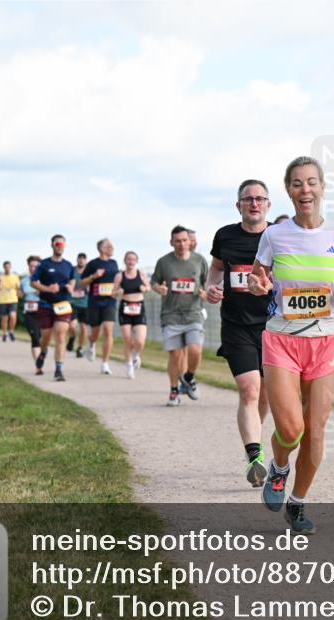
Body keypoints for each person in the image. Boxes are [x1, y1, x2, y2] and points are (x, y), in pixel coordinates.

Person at [247, 156, 334, 534]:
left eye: (311, 182)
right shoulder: (273, 235)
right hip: (282, 339)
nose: (305, 189)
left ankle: (297, 502)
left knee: (315, 431)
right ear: (289, 191)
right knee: (291, 429)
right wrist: (258, 285)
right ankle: (279, 468)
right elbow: (258, 279)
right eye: (297, 183)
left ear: (322, 187)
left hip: (324, 341)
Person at [207, 178, 274, 487]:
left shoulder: (278, 236)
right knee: (249, 389)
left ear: (268, 204)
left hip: (273, 327)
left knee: (265, 395)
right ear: (239, 205)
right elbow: (217, 268)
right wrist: (211, 286)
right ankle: (254, 458)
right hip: (237, 326)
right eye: (248, 199)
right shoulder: (225, 235)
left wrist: (270, 286)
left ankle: (254, 437)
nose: (254, 203)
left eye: (259, 198)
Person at [152, 225, 208, 406]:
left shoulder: (199, 261)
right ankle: (174, 391)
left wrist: (205, 293)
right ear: (171, 242)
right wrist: (159, 288)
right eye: (177, 241)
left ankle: (189, 377)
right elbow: (154, 281)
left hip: (193, 313)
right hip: (171, 314)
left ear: (190, 241)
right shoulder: (164, 262)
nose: (182, 244)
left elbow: (207, 283)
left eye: (184, 240)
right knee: (175, 355)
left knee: (195, 349)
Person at [31, 235, 76, 381]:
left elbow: (72, 279)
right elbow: (33, 282)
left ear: (65, 246)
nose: (59, 246)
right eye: (57, 244)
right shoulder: (44, 264)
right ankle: (43, 352)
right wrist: (47, 289)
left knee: (61, 335)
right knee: (46, 337)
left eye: (62, 244)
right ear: (52, 245)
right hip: (46, 305)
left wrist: (71, 287)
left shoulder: (68, 265)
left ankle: (58, 369)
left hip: (63, 304)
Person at [81, 238, 119, 375]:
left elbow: (117, 280)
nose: (112, 248)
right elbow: (82, 282)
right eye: (109, 246)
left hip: (110, 301)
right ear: (102, 249)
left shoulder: (114, 263)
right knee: (95, 333)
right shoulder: (92, 264)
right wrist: (94, 276)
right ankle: (91, 344)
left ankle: (105, 363)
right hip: (95, 302)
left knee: (108, 330)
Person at [113, 251, 150, 379]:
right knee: (128, 340)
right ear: (125, 261)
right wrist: (118, 292)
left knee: (140, 340)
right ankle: (129, 365)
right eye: (128, 259)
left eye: (133, 259)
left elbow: (148, 287)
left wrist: (145, 289)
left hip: (139, 307)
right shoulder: (120, 276)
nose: (131, 261)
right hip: (125, 308)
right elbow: (113, 293)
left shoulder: (141, 274)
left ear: (136, 261)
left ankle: (135, 355)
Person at [20, 256, 44, 375]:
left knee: (41, 338)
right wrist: (19, 293)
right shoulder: (24, 281)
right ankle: (38, 366)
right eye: (31, 266)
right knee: (35, 338)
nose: (33, 268)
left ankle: (41, 357)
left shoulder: (43, 280)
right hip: (29, 312)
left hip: (42, 311)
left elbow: (47, 294)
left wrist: (39, 290)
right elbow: (20, 294)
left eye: (36, 266)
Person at [68, 252, 90, 357]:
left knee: (84, 328)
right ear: (77, 260)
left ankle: (80, 348)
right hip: (73, 302)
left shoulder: (89, 272)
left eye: (83, 259)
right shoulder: (71, 270)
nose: (81, 260)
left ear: (86, 261)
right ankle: (72, 337)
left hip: (85, 304)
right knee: (72, 326)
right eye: (79, 258)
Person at [0, 261, 21, 341]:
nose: (7, 268)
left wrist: (19, 291)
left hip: (13, 299)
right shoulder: (0, 277)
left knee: (13, 316)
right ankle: (4, 333)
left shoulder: (15, 276)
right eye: (6, 267)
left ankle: (11, 331)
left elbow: (18, 287)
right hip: (3, 300)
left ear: (10, 267)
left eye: (8, 267)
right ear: (4, 268)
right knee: (4, 318)